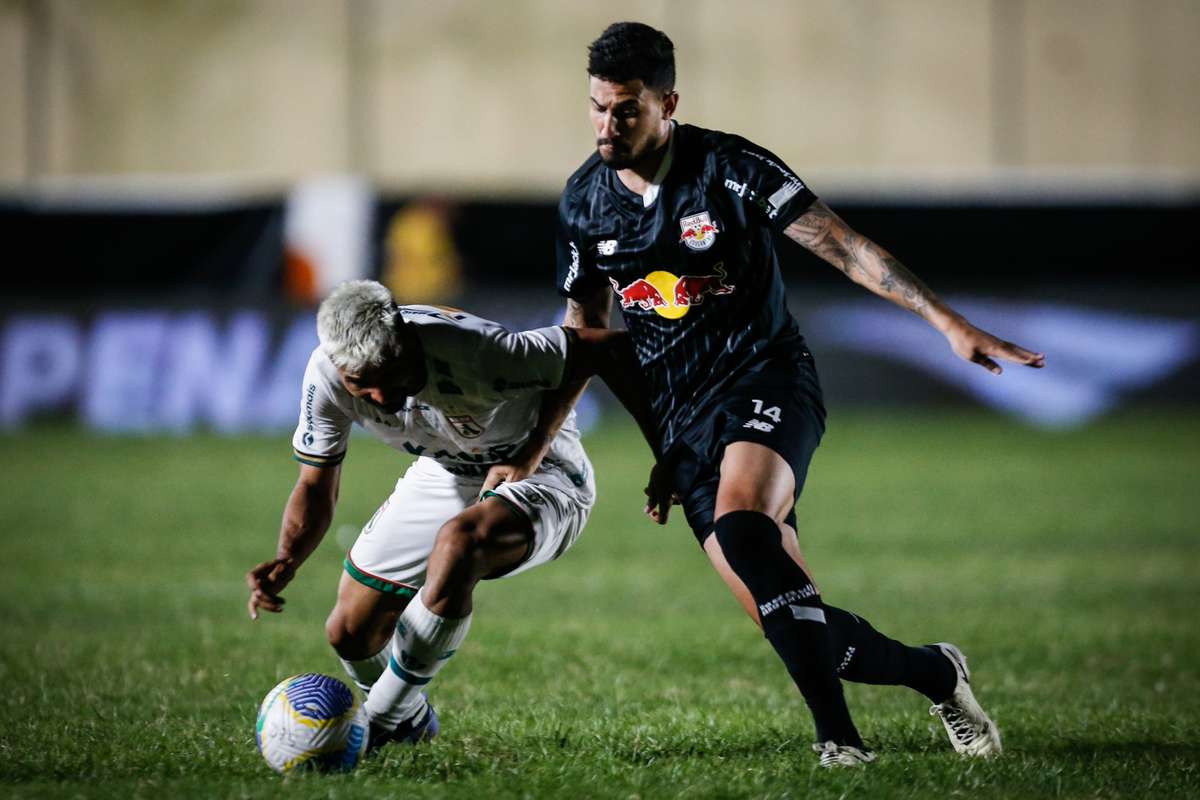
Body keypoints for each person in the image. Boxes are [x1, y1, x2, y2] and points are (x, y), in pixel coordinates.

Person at [543, 21, 1044, 767]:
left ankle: (840, 743)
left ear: (667, 102)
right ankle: (938, 671)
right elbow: (586, 336)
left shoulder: (729, 168)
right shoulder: (584, 203)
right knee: (798, 623)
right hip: (684, 424)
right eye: (596, 108)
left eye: (625, 110)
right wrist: (562, 442)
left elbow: (843, 245)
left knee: (748, 531)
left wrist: (946, 321)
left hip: (765, 379)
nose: (607, 126)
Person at [245, 279, 650, 750]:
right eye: (360, 382)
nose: (376, 396)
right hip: (447, 471)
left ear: (402, 341)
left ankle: (376, 726)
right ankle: (410, 723)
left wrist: (663, 455)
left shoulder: (478, 352)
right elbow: (315, 484)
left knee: (459, 545)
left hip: (544, 471)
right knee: (349, 630)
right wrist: (288, 558)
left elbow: (612, 349)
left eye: (384, 373)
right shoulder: (327, 378)